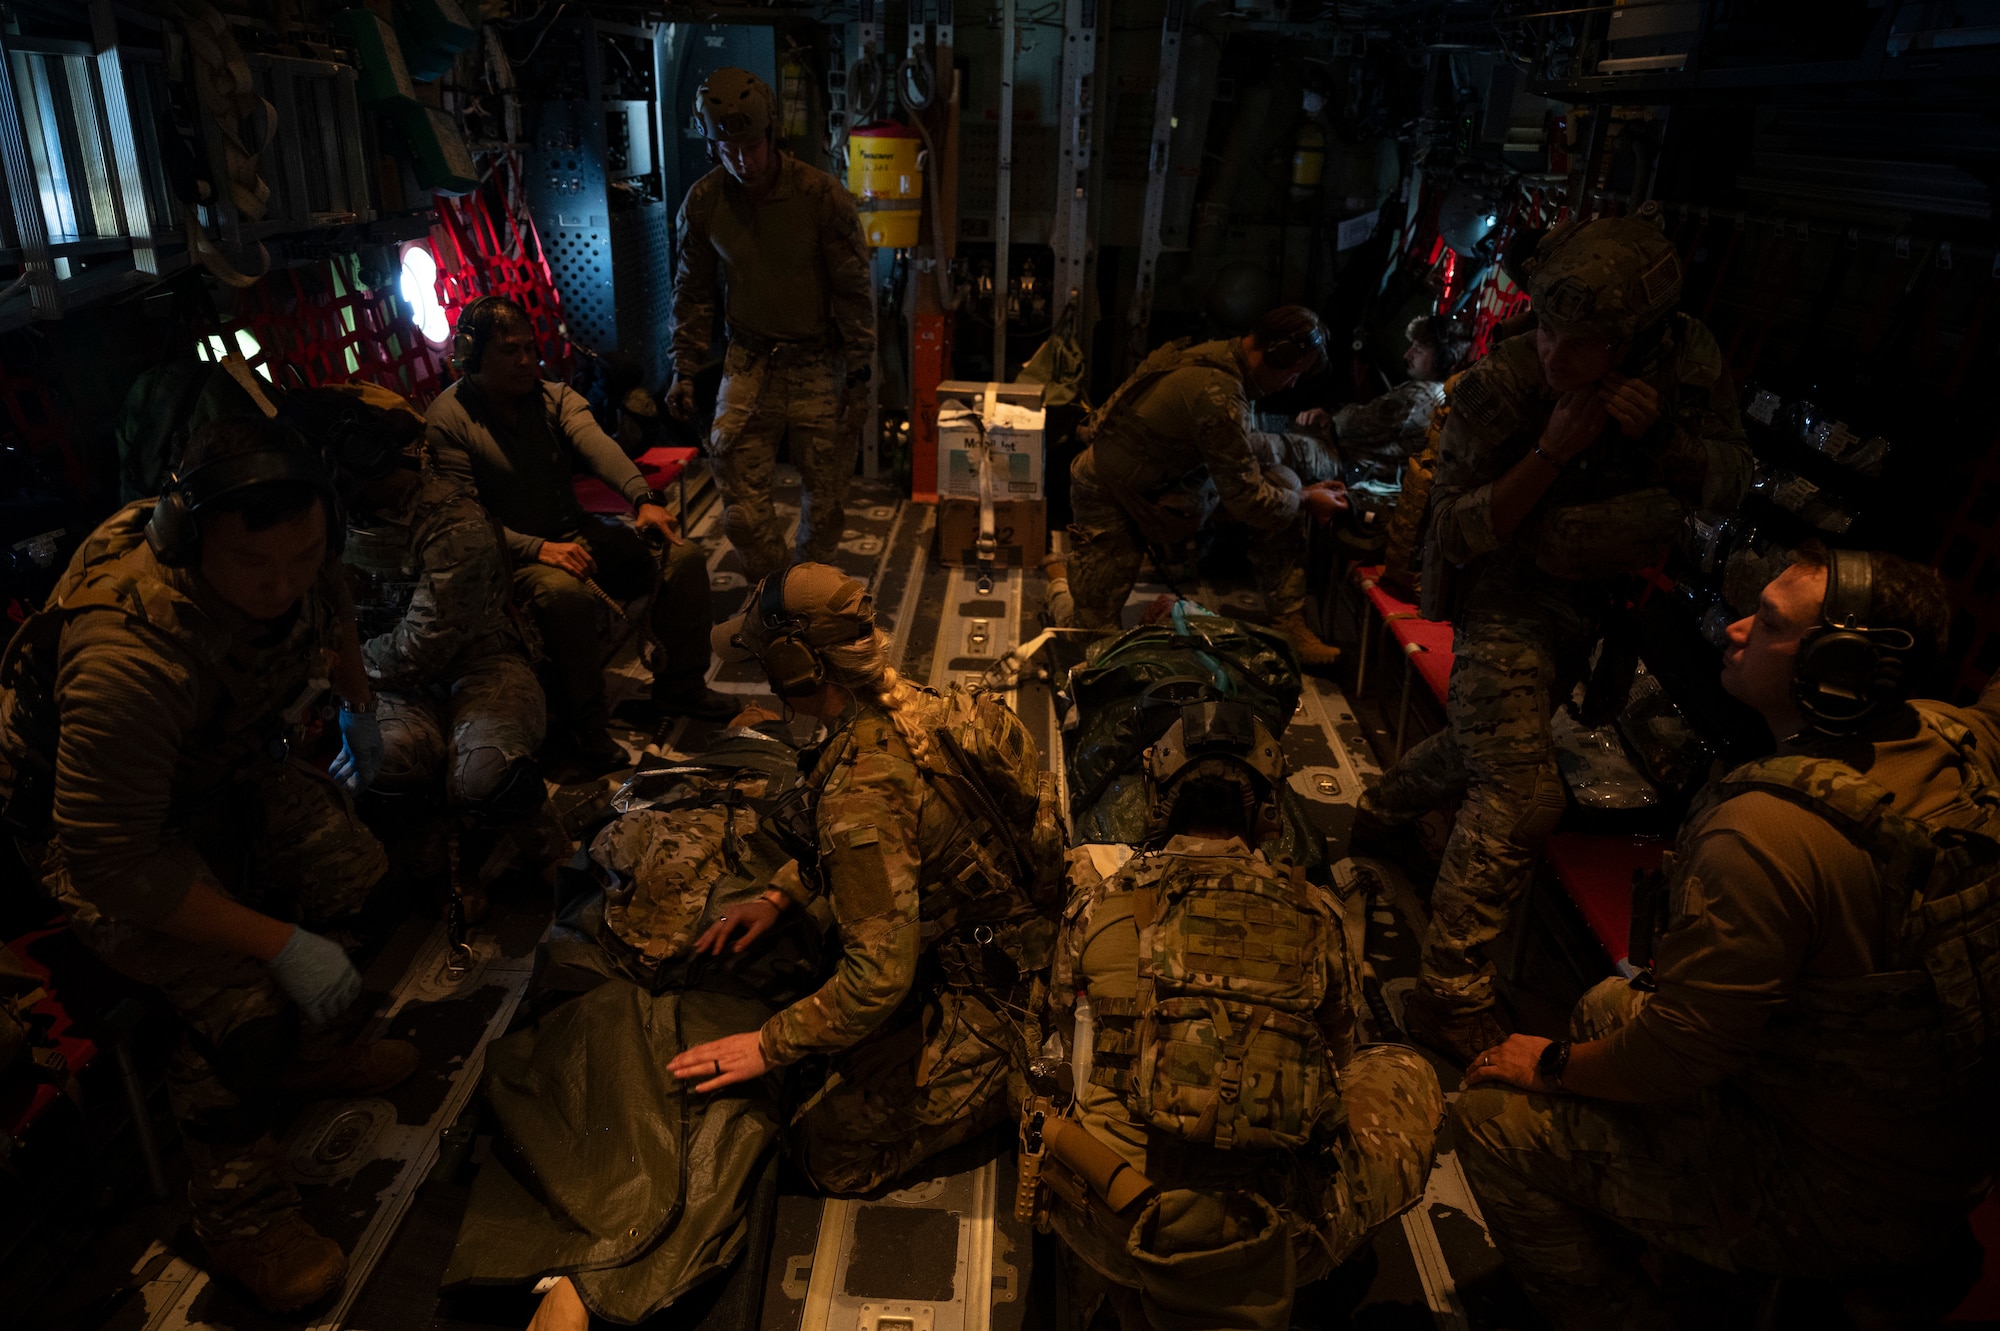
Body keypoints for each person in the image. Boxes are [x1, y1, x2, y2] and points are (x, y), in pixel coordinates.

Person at [1455, 548, 2000, 1330]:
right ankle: (1711, 1286)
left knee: (1491, 1118)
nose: (1735, 628)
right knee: (1610, 1004)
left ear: (1840, 667)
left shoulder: (1766, 831)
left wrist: (1543, 1064)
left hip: (1842, 1190)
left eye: (1771, 625)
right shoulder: (1958, 739)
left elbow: (1681, 1052)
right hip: (1933, 1155)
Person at [0, 418, 417, 1313]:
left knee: (359, 874)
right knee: (241, 1005)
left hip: (212, 760)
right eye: (251, 566)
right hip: (96, 833)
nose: (279, 585)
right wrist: (278, 943)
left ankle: (306, 1062)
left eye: (301, 554)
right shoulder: (126, 653)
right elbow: (115, 861)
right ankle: (240, 1218)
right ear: (189, 544)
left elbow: (327, 594)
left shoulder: (296, 549)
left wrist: (357, 699)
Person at [1403, 212, 1753, 1063]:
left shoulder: (1682, 362)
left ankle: (1383, 811)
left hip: (1598, 602)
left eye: (1583, 341)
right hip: (1507, 597)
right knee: (1523, 792)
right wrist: (1551, 455)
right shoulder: (1507, 386)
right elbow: (1448, 532)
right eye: (1549, 328)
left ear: (1632, 342)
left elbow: (1732, 483)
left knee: (1482, 745)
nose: (1557, 353)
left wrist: (1661, 438)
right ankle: (1447, 998)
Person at [1041, 699, 1442, 1330]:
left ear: (1159, 798)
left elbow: (1066, 1038)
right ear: (1267, 809)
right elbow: (1335, 1063)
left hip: (1115, 1220)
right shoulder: (1317, 915)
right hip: (1274, 1236)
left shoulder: (1099, 907)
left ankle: (1132, 1289)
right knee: (1401, 1069)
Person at [665, 563, 1062, 1193]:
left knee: (826, 1151)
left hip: (1003, 993)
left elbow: (877, 980)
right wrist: (782, 893)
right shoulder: (920, 708)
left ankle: (1003, 1081)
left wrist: (767, 1045)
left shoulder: (861, 794)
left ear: (798, 667)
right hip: (1008, 927)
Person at [426, 295, 732, 771]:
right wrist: (537, 548)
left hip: (576, 534)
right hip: (506, 560)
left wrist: (643, 501)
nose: (526, 360)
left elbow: (596, 446)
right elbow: (463, 523)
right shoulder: (447, 421)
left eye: (529, 347)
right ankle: (583, 727)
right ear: (471, 356)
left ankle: (683, 688)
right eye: (509, 350)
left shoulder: (554, 397)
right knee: (563, 594)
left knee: (683, 557)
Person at [280, 386, 555, 914]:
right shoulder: (330, 523)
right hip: (387, 681)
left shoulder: (451, 523)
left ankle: (546, 848)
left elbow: (418, 650)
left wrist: (341, 666)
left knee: (485, 774)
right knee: (384, 766)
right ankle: (438, 862)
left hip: (482, 665)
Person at [665, 68, 876, 581]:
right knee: (738, 506)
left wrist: (861, 372)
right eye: (727, 146)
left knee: (824, 507)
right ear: (713, 145)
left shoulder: (820, 197)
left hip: (816, 360)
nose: (743, 158)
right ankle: (779, 591)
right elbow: (691, 293)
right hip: (749, 361)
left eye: (752, 143)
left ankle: (806, 594)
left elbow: (853, 290)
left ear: (771, 134)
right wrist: (685, 369)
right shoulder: (705, 201)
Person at [1056, 305, 1351, 667]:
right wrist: (1307, 499)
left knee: (1281, 483)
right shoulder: (1218, 392)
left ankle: (1288, 621)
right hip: (1109, 494)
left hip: (1163, 483)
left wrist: (1298, 494)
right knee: (1093, 639)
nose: (1293, 384)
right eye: (1294, 373)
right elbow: (1247, 501)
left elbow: (1240, 466)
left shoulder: (1222, 358)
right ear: (1278, 354)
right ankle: (1056, 579)